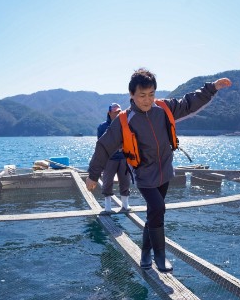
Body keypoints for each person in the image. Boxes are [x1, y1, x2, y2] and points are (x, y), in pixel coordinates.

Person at [85, 68, 232, 272]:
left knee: (154, 213)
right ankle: (159, 257)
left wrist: (212, 88)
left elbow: (189, 103)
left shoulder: (164, 108)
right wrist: (93, 175)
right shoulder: (123, 120)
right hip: (143, 175)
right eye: (142, 95)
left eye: (151, 94)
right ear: (132, 95)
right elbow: (104, 146)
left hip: (165, 171)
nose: (147, 100)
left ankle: (145, 254)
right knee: (158, 209)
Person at [97, 103, 131, 213]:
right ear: (109, 113)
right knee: (107, 182)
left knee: (125, 181)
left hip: (123, 158)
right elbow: (101, 143)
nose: (117, 113)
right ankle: (108, 207)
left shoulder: (125, 125)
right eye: (115, 112)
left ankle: (125, 205)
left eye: (119, 111)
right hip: (109, 159)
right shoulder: (102, 127)